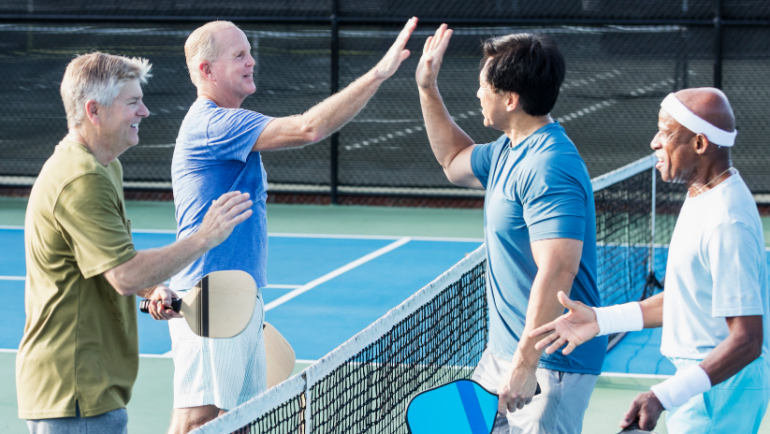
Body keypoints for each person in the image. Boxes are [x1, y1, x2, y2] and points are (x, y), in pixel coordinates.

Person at [167, 18, 417, 432]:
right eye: (239, 56)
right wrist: (377, 74)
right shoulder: (213, 124)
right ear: (206, 71)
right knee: (198, 421)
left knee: (238, 420)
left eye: (250, 52)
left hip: (237, 293)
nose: (251, 62)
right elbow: (308, 128)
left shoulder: (231, 125)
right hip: (210, 295)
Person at [17, 52, 253, 434]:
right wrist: (206, 236)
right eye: (132, 102)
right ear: (94, 111)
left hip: (94, 388)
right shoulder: (81, 179)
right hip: (75, 392)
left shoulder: (105, 165)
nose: (144, 111)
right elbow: (125, 277)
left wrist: (155, 288)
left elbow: (111, 263)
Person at [530, 88, 770, 433]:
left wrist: (663, 396)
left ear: (700, 144)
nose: (655, 142)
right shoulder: (704, 195)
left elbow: (747, 340)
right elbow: (685, 300)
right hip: (709, 383)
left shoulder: (725, 220)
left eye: (667, 133)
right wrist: (601, 320)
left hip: (720, 390)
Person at [415, 25, 606, 433]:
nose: (478, 94)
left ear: (511, 99)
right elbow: (453, 160)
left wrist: (525, 364)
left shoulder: (549, 166)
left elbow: (557, 271)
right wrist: (428, 88)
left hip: (551, 364)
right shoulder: (508, 150)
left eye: (483, 86)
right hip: (505, 353)